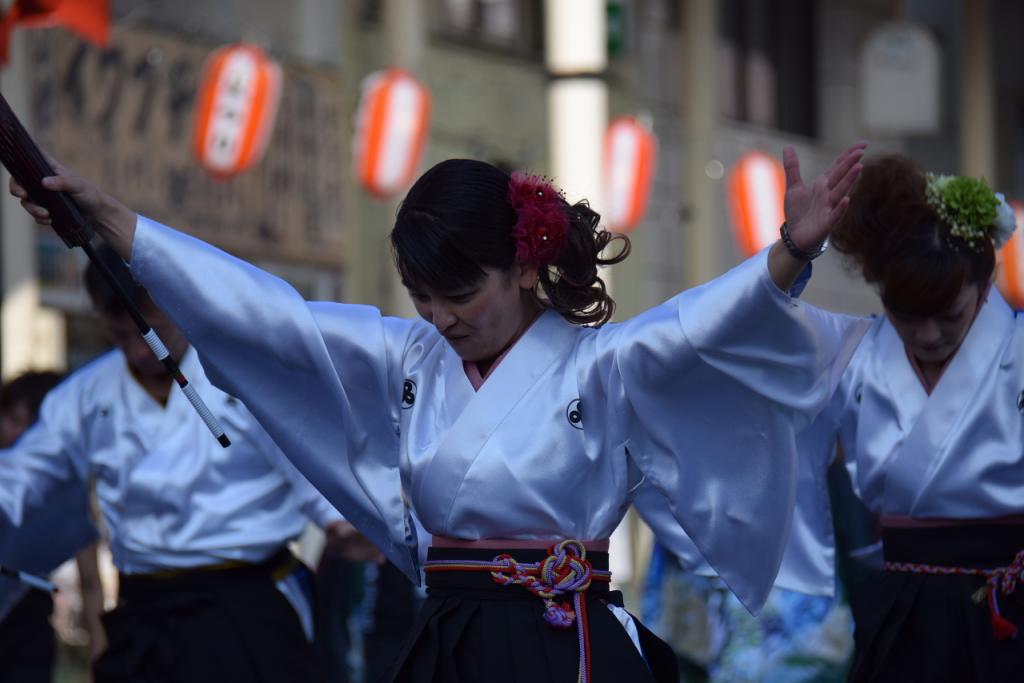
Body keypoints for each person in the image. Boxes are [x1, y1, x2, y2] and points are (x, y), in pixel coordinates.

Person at [13, 142, 868, 682]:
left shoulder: (601, 364)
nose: (441, 318)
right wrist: (120, 228)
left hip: (559, 641)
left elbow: (700, 328)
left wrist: (792, 251)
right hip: (445, 637)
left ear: (524, 270)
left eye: (459, 294)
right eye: (421, 297)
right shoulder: (410, 358)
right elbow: (269, 315)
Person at [0, 245, 350, 682]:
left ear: (179, 308)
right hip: (144, 606)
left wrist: (339, 517)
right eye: (119, 336)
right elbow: (25, 470)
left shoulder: (242, 374)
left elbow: (306, 459)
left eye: (149, 332)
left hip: (245, 597)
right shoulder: (85, 394)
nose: (138, 351)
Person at [761, 154, 1024, 682]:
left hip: (1010, 602)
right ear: (881, 293)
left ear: (983, 285)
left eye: (949, 314)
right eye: (906, 316)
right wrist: (794, 250)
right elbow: (748, 339)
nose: (928, 335)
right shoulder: (852, 354)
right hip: (900, 608)